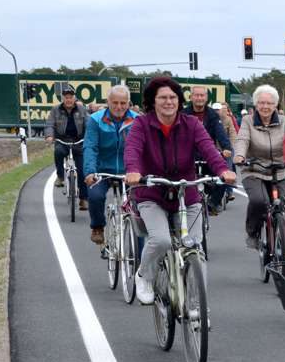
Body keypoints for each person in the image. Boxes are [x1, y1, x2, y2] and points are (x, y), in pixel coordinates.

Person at [123, 77, 237, 304]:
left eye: (173, 97)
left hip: (187, 194)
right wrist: (134, 171)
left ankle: (197, 304)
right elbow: (133, 150)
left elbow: (208, 148)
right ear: (152, 102)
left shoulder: (191, 124)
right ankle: (145, 275)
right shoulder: (142, 125)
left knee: (195, 247)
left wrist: (223, 170)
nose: (168, 102)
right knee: (162, 240)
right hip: (152, 193)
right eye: (163, 98)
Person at [234, 85, 285, 249]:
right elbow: (242, 139)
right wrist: (240, 155)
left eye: (269, 103)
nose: (265, 107)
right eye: (261, 103)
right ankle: (253, 232)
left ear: (276, 105)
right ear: (256, 105)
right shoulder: (247, 121)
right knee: (259, 201)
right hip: (254, 169)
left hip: (280, 169)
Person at [83, 85, 138, 245]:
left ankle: (142, 262)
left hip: (129, 172)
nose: (119, 107)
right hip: (102, 170)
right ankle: (98, 227)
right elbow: (90, 146)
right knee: (95, 196)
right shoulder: (95, 120)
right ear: (108, 102)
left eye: (123, 103)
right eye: (115, 102)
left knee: (139, 210)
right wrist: (90, 171)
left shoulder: (137, 120)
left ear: (128, 103)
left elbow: (143, 149)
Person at [184, 86, 233, 215]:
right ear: (191, 97)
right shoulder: (183, 114)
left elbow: (220, 133)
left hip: (208, 154)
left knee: (222, 178)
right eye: (196, 95)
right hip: (188, 155)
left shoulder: (212, 115)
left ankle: (212, 203)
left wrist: (226, 148)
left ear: (206, 98)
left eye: (202, 95)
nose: (199, 98)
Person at [45, 84, 90, 206]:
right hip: (62, 140)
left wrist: (89, 137)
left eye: (71, 97)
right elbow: (50, 124)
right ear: (63, 99)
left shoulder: (82, 110)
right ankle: (60, 176)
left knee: (82, 171)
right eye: (66, 97)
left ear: (74, 98)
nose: (68, 99)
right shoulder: (55, 110)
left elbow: (89, 124)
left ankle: (83, 199)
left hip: (78, 141)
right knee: (58, 152)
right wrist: (49, 136)